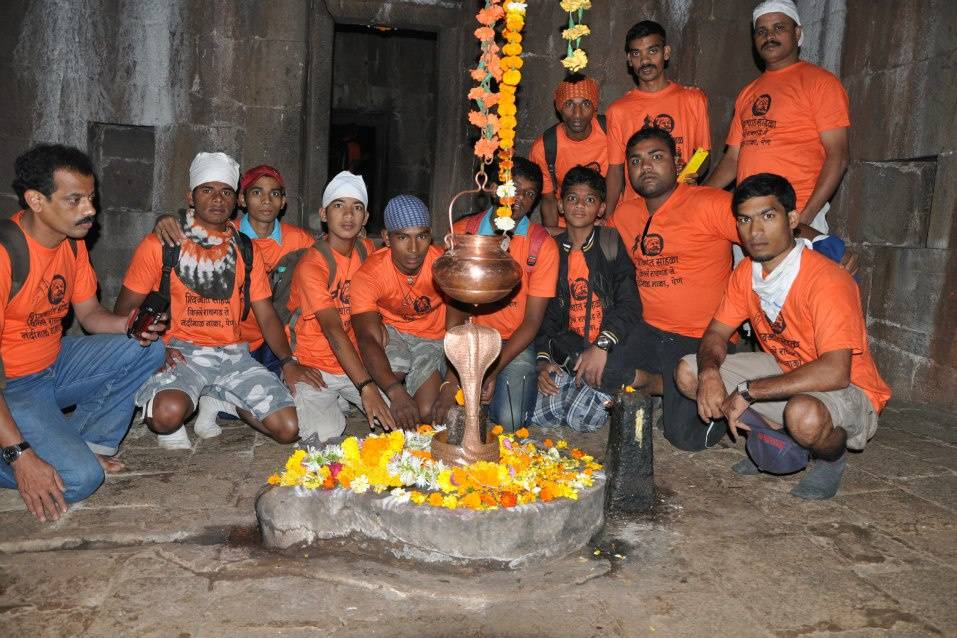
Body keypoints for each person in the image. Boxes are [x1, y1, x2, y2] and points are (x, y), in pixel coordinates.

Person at [675, 173, 891, 499]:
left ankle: (831, 458)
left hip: (849, 388)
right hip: (786, 368)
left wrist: (750, 391)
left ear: (792, 219)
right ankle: (774, 438)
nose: (755, 231)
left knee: (803, 415)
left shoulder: (827, 280)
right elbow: (717, 332)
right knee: (689, 373)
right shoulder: (746, 271)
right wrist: (708, 373)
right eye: (745, 219)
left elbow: (836, 370)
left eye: (768, 216)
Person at [0, 144, 166, 521]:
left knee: (147, 350)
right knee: (80, 479)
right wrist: (21, 457)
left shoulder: (72, 247)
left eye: (90, 198)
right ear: (36, 200)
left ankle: (85, 441)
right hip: (12, 388)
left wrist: (129, 325)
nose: (89, 210)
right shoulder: (6, 253)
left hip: (52, 365)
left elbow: (90, 315)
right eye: (73, 199)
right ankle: (26, 452)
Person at [116, 152, 323, 449]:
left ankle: (219, 397)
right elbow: (123, 312)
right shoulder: (161, 244)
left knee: (288, 428)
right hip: (181, 352)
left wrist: (288, 362)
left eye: (225, 191)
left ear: (235, 198)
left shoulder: (244, 248)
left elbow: (265, 314)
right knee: (166, 415)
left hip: (233, 354)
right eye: (207, 190)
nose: (217, 199)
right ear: (190, 195)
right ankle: (174, 397)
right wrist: (155, 350)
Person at [608, 127, 739, 450]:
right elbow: (597, 251)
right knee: (602, 369)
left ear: (677, 164)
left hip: (701, 337)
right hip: (649, 329)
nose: (646, 167)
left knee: (684, 437)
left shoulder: (710, 203)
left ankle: (720, 385)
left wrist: (818, 240)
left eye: (656, 157)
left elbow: (765, 227)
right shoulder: (625, 214)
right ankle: (663, 385)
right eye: (636, 160)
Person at [432, 158, 558, 431]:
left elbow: (532, 322)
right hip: (469, 338)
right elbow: (455, 311)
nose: (519, 199)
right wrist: (454, 378)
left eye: (529, 193)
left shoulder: (541, 246)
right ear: (495, 189)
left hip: (513, 342)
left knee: (510, 420)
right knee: (450, 418)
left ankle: (502, 392)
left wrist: (495, 368)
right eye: (513, 189)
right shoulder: (464, 233)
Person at [705, 0, 850, 234]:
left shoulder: (821, 83)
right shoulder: (747, 92)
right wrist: (695, 197)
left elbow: (839, 155)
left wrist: (803, 219)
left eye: (779, 28)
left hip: (796, 213)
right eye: (761, 31)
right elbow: (733, 159)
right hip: (749, 218)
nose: (769, 36)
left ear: (797, 33)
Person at [287, 171, 393, 441]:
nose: (348, 215)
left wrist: (378, 323)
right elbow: (334, 332)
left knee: (398, 419)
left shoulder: (367, 251)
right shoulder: (312, 265)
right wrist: (366, 386)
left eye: (357, 207)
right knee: (326, 434)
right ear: (324, 214)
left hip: (356, 359)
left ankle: (344, 397)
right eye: (339, 206)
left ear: (366, 218)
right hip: (315, 365)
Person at [532, 166, 640, 432]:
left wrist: (602, 345)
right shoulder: (552, 251)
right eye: (572, 199)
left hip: (610, 347)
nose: (580, 206)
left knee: (581, 420)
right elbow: (546, 315)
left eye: (589, 200)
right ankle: (584, 384)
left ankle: (626, 385)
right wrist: (544, 361)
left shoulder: (610, 243)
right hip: (571, 349)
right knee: (541, 414)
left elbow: (630, 304)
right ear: (560, 204)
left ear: (601, 208)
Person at [351, 195, 447, 431]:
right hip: (391, 334)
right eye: (403, 237)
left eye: (422, 236)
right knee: (391, 376)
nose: (414, 248)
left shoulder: (444, 265)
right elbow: (367, 338)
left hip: (432, 337)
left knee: (426, 412)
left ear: (430, 235)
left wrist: (452, 386)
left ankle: (424, 383)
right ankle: (400, 388)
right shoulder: (370, 273)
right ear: (386, 237)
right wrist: (395, 392)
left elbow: (459, 329)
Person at [605, 20, 711, 215]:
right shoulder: (618, 110)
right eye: (636, 54)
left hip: (683, 205)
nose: (645, 61)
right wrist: (609, 216)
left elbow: (703, 152)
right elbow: (616, 169)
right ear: (629, 59)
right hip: (637, 209)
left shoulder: (692, 99)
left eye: (652, 51)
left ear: (666, 52)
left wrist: (684, 179)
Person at [529, 74, 608, 234]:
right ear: (558, 107)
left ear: (594, 107)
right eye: (569, 104)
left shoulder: (610, 130)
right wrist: (555, 238)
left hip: (608, 221)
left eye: (585, 103)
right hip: (568, 226)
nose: (577, 113)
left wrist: (611, 223)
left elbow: (620, 178)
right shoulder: (545, 147)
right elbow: (548, 199)